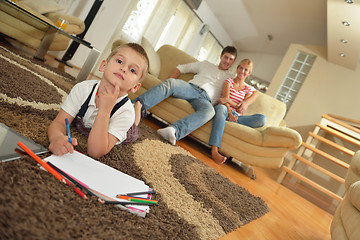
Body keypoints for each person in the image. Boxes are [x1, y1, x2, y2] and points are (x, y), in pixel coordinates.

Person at [48, 43, 149, 158]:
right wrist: (56, 137)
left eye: (132, 70)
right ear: (103, 65)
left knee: (134, 126)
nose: (124, 69)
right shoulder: (82, 89)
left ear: (135, 87)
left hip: (125, 125)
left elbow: (96, 151)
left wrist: (105, 110)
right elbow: (59, 122)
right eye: (120, 61)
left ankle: (138, 108)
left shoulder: (126, 114)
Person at [133, 46, 238, 145]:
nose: (227, 61)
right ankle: (134, 109)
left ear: (233, 62)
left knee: (210, 112)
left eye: (231, 59)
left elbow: (246, 89)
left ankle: (173, 131)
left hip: (206, 100)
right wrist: (168, 79)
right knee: (171, 83)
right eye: (226, 57)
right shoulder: (206, 64)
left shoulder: (231, 78)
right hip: (190, 88)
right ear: (221, 56)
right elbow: (181, 68)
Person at [208, 59, 266, 164]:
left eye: (246, 70)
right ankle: (214, 150)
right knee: (221, 108)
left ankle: (233, 120)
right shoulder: (228, 82)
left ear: (249, 73)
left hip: (236, 115)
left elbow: (240, 108)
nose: (242, 71)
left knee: (262, 119)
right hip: (224, 110)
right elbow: (224, 101)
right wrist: (230, 112)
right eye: (241, 68)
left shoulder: (248, 90)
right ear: (237, 68)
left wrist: (230, 101)